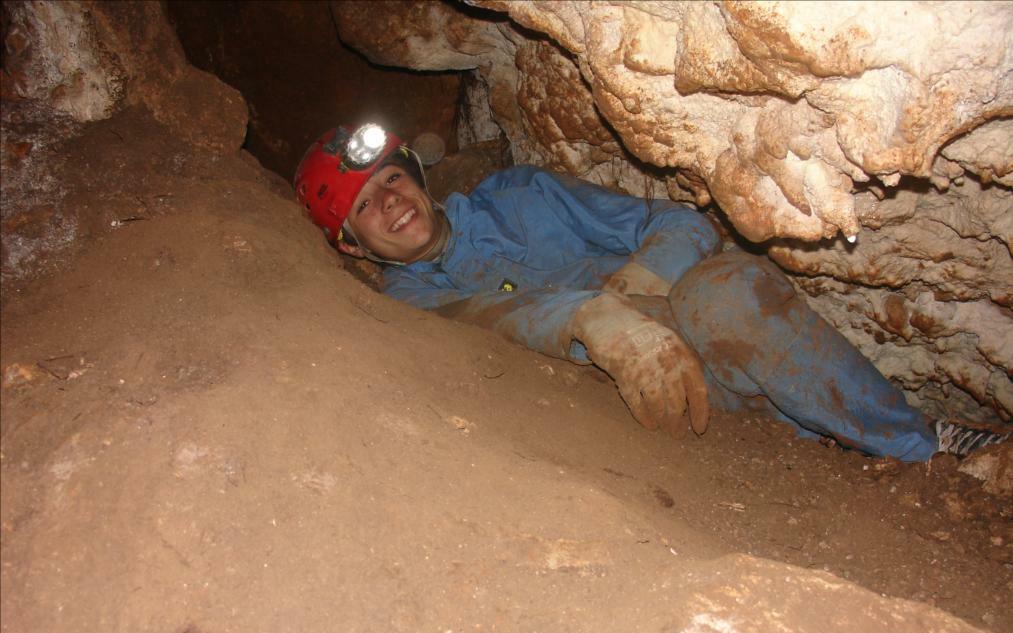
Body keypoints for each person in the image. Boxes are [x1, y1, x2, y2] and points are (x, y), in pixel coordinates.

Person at [294, 124, 1009, 461]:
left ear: (416, 176)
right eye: (364, 207)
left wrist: (639, 283)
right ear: (352, 246)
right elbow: (491, 316)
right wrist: (591, 316)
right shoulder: (405, 306)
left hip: (716, 322)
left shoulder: (520, 194)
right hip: (657, 398)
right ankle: (847, 441)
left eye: (391, 179)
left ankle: (927, 444)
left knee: (723, 292)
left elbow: (677, 221)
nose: (390, 202)